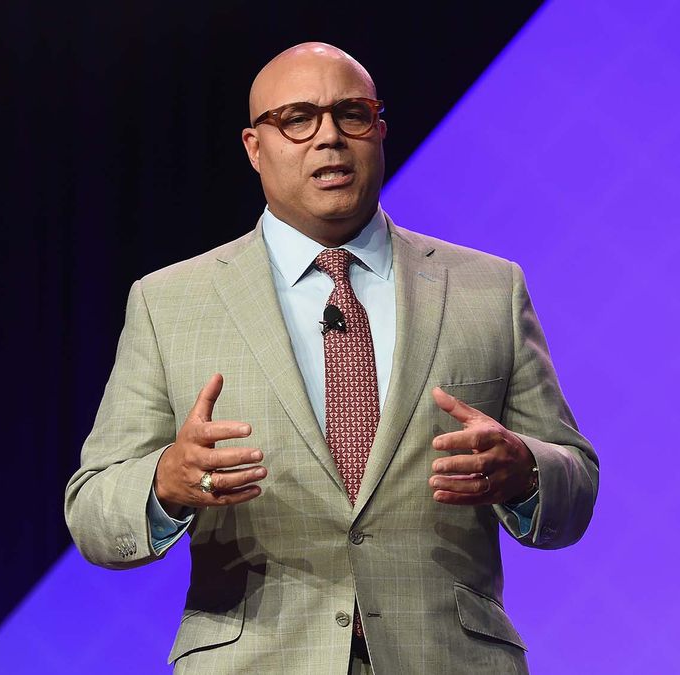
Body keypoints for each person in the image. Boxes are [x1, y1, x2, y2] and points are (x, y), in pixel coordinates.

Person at [65, 42, 598, 674]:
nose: (330, 139)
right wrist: (166, 484)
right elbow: (93, 508)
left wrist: (527, 474)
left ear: (379, 130)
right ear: (253, 147)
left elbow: (577, 482)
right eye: (297, 119)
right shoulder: (170, 301)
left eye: (352, 114)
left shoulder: (488, 288)